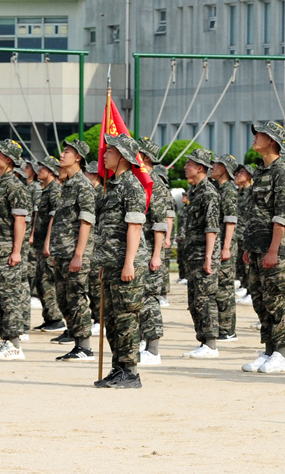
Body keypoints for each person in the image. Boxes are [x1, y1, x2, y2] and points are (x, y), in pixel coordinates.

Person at [239, 121, 285, 375]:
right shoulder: (262, 172)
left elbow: (282, 215)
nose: (255, 138)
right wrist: (249, 245)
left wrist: (275, 249)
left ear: (272, 141)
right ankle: (268, 350)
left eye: (260, 135)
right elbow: (256, 213)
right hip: (257, 246)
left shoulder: (281, 173)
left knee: (278, 301)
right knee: (261, 301)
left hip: (272, 248)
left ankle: (282, 354)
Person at [92, 134, 149, 389]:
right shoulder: (111, 186)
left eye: (110, 150)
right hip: (112, 262)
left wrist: (128, 263)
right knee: (112, 320)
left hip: (127, 262)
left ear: (124, 156)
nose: (104, 153)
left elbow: (134, 227)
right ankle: (118, 368)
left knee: (126, 318)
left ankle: (130, 372)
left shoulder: (131, 186)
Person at [45, 139, 97, 361]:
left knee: (76, 299)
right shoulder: (66, 185)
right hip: (62, 253)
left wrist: (78, 255)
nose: (62, 154)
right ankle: (77, 343)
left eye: (67, 151)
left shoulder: (83, 186)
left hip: (76, 254)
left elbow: (86, 222)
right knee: (64, 300)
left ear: (78, 158)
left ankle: (84, 346)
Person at [0, 140, 32, 360]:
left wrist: (16, 250)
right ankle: (6, 341)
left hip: (7, 250)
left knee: (9, 296)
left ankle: (14, 345)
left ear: (9, 159)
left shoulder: (14, 186)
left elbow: (20, 220)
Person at [179, 148, 223, 359]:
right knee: (195, 300)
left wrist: (208, 257)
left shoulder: (209, 193)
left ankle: (211, 343)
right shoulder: (195, 192)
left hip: (205, 255)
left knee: (205, 299)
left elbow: (212, 228)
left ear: (200, 168)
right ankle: (203, 340)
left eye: (190, 163)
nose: (186, 166)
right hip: (193, 254)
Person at [136, 139, 174, 366]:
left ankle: (153, 349)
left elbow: (159, 224)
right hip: (137, 251)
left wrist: (156, 254)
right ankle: (142, 342)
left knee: (149, 299)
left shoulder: (154, 185)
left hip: (149, 250)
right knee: (138, 299)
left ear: (146, 157)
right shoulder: (138, 181)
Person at [31, 156, 66, 333]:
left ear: (51, 171)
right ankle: (49, 317)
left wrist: (47, 244)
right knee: (40, 281)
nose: (39, 170)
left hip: (49, 244)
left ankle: (55, 318)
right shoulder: (46, 190)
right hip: (40, 243)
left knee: (47, 282)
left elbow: (53, 218)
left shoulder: (55, 190)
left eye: (43, 168)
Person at [211, 154, 241, 343]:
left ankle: (228, 329)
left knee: (225, 287)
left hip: (226, 244)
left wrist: (226, 247)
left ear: (225, 169)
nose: (213, 166)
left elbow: (231, 221)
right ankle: (222, 326)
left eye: (217, 164)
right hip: (220, 243)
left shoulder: (228, 190)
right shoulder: (219, 189)